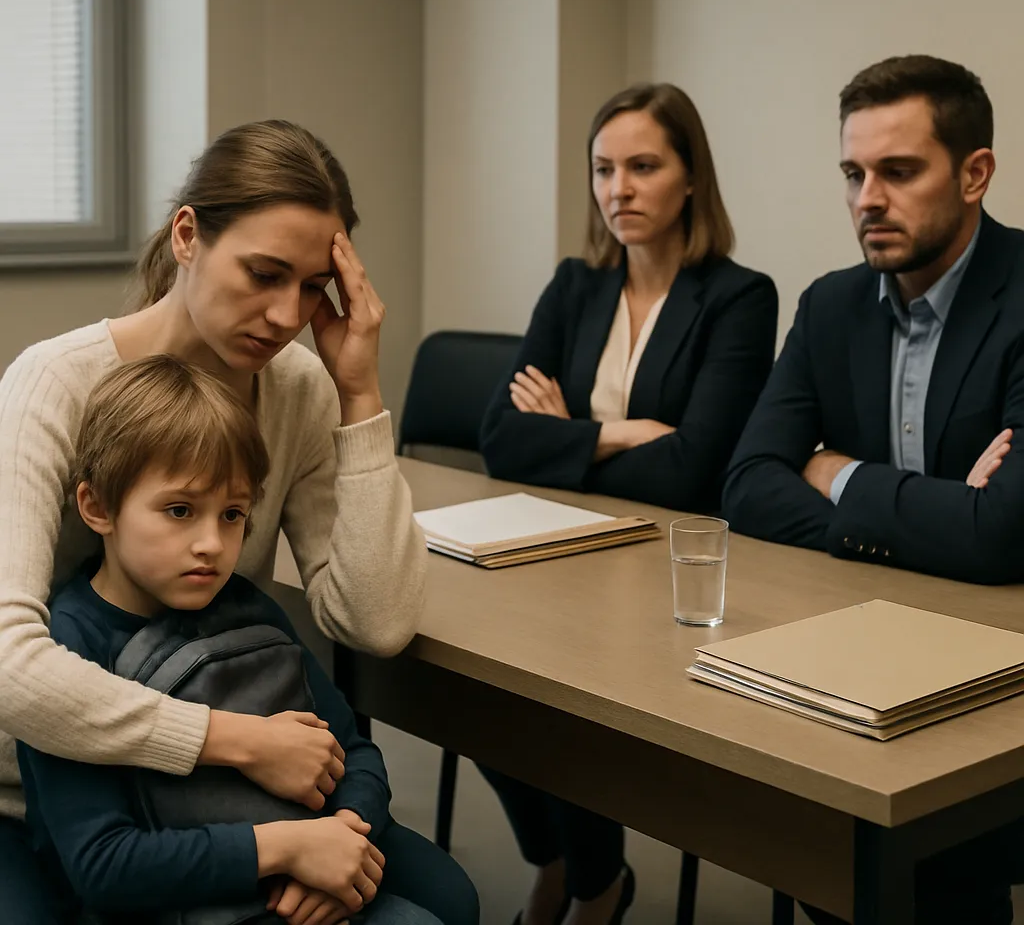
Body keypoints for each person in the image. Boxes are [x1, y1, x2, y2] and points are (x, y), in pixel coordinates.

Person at [0, 120, 427, 922]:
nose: (284, 313)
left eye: (309, 288)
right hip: (43, 784)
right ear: (188, 234)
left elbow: (376, 621)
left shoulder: (300, 387)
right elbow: (7, 665)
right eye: (263, 274)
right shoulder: (54, 385)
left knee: (447, 896)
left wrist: (360, 392)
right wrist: (236, 741)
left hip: (232, 779)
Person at [17, 354, 477, 925]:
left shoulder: (244, 604)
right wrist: (286, 852)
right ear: (97, 507)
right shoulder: (69, 642)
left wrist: (342, 834)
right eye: (180, 510)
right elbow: (103, 864)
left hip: (293, 854)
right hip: (187, 889)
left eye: (232, 514)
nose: (211, 542)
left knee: (448, 905)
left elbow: (352, 749)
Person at [478, 83, 778, 925]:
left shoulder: (738, 297)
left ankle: (596, 883)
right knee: (478, 689)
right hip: (554, 552)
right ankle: (565, 864)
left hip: (661, 572)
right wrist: (615, 435)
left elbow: (692, 473)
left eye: (644, 166)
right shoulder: (576, 285)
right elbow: (499, 437)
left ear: (691, 179)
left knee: (567, 706)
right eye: (604, 169)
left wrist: (566, 437)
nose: (620, 189)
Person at [723, 54, 1024, 590]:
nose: (868, 200)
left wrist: (836, 473)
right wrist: (945, 523)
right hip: (858, 608)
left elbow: (1005, 533)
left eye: (899, 172)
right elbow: (747, 486)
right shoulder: (829, 305)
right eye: (853, 174)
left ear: (974, 175)